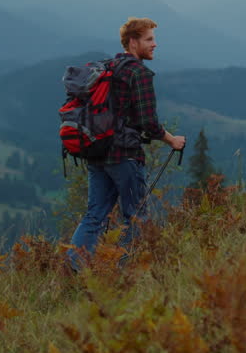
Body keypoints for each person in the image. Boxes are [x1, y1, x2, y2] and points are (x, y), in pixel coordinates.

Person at [68, 17, 185, 267]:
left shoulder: (108, 67)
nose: (154, 44)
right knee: (135, 216)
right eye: (149, 39)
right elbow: (148, 122)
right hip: (124, 155)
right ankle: (125, 272)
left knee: (94, 215)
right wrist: (172, 140)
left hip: (97, 151)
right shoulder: (138, 73)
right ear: (133, 42)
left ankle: (74, 268)